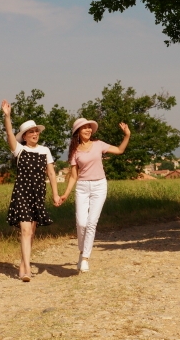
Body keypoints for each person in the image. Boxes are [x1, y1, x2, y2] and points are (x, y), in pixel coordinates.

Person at [55, 116, 131, 272]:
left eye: (90, 127)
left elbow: (119, 150)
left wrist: (127, 135)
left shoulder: (98, 144)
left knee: (91, 223)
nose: (88, 130)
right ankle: (82, 251)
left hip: (99, 186)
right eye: (85, 127)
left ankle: (85, 258)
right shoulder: (75, 152)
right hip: (82, 187)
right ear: (78, 132)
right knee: (81, 223)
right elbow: (74, 176)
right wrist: (65, 194)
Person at [0, 99, 62, 282]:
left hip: (38, 194)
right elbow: (9, 133)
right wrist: (7, 116)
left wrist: (56, 194)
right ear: (24, 136)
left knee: (32, 232)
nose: (35, 134)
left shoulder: (45, 151)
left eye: (36, 131)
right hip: (22, 193)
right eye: (31, 132)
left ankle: (22, 263)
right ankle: (27, 269)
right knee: (26, 230)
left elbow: (51, 174)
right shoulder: (19, 150)